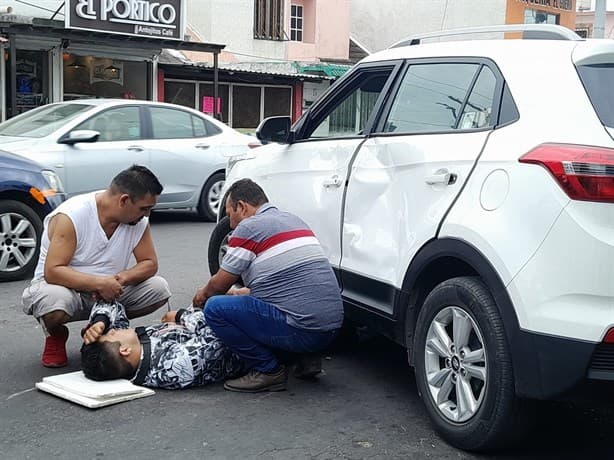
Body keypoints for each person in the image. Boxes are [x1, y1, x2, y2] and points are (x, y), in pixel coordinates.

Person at [193, 178, 344, 393]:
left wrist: (201, 296)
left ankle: (268, 371)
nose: (231, 224)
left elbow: (218, 285)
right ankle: (306, 358)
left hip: (302, 329)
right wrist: (238, 295)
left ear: (242, 207)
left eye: (229, 215)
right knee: (259, 303)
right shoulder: (294, 220)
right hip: (331, 329)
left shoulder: (248, 227)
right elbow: (280, 287)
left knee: (215, 308)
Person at [22, 165, 171, 368]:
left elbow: (149, 263)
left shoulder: (138, 221)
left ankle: (100, 326)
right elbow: (53, 271)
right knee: (55, 302)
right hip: (64, 288)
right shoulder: (72, 216)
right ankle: (56, 334)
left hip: (108, 293)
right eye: (143, 208)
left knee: (159, 288)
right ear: (124, 200)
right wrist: (99, 283)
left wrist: (120, 279)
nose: (146, 215)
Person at [80, 301, 243, 388]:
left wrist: (100, 321)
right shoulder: (173, 365)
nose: (113, 330)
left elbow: (109, 302)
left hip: (224, 320)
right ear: (124, 350)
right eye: (110, 334)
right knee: (217, 303)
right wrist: (181, 316)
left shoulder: (138, 348)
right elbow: (218, 332)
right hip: (248, 337)